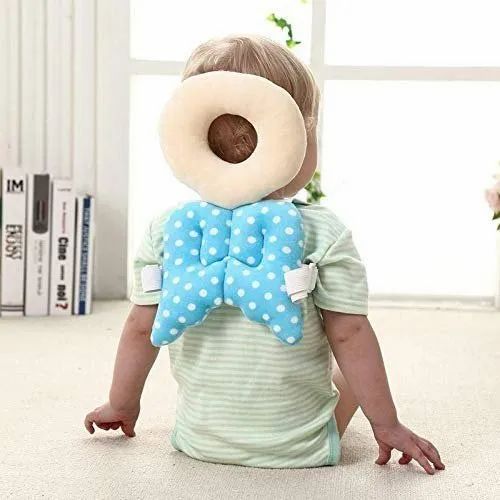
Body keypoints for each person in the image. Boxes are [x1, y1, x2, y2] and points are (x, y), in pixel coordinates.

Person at [84, 35, 444, 474]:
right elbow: (349, 333)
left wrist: (121, 404)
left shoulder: (168, 231)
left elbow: (141, 327)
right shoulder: (322, 232)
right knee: (346, 367)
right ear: (296, 139)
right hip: (302, 448)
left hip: (199, 439)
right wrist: (387, 425)